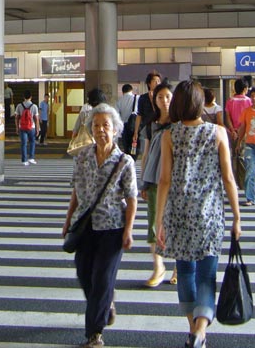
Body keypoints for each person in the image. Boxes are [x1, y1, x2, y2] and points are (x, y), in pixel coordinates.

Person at [156, 80, 241, 348]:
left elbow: (165, 180)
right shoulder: (217, 132)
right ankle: (201, 330)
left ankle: (194, 328)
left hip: (179, 214)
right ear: (201, 103)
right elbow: (228, 177)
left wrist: (158, 220)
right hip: (209, 214)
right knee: (207, 274)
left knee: (184, 271)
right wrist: (237, 216)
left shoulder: (169, 135)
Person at [62, 104, 137, 348]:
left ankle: (94, 334)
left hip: (112, 227)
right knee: (85, 275)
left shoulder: (124, 161)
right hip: (85, 226)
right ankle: (106, 304)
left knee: (103, 278)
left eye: (105, 125)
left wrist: (128, 229)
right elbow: (76, 190)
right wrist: (68, 220)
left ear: (115, 130)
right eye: (96, 125)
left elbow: (132, 197)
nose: (100, 130)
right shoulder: (83, 156)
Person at [140, 82, 175, 288]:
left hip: (174, 181)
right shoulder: (151, 124)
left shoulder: (180, 123)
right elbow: (146, 155)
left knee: (176, 223)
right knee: (154, 223)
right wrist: (143, 181)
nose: (164, 101)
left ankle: (179, 266)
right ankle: (158, 267)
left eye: (168, 97)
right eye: (160, 97)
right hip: (154, 179)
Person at [132, 71, 162, 156]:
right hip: (147, 128)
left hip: (159, 127)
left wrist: (153, 101)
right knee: (146, 152)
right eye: (155, 81)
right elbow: (139, 115)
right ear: (149, 84)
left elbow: (159, 113)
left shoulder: (161, 97)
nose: (157, 83)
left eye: (159, 81)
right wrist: (136, 131)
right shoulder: (143, 98)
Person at [15, 90, 39, 166]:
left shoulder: (19, 105)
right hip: (31, 127)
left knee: (23, 144)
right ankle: (31, 158)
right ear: (31, 97)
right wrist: (37, 129)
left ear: (23, 97)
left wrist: (17, 127)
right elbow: (36, 119)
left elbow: (16, 117)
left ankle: (24, 160)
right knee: (32, 142)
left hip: (22, 127)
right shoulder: (34, 106)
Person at [115, 84, 137, 154]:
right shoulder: (136, 98)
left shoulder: (119, 101)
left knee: (126, 144)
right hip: (134, 125)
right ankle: (133, 155)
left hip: (124, 125)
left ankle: (128, 154)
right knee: (134, 142)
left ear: (122, 92)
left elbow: (116, 115)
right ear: (131, 90)